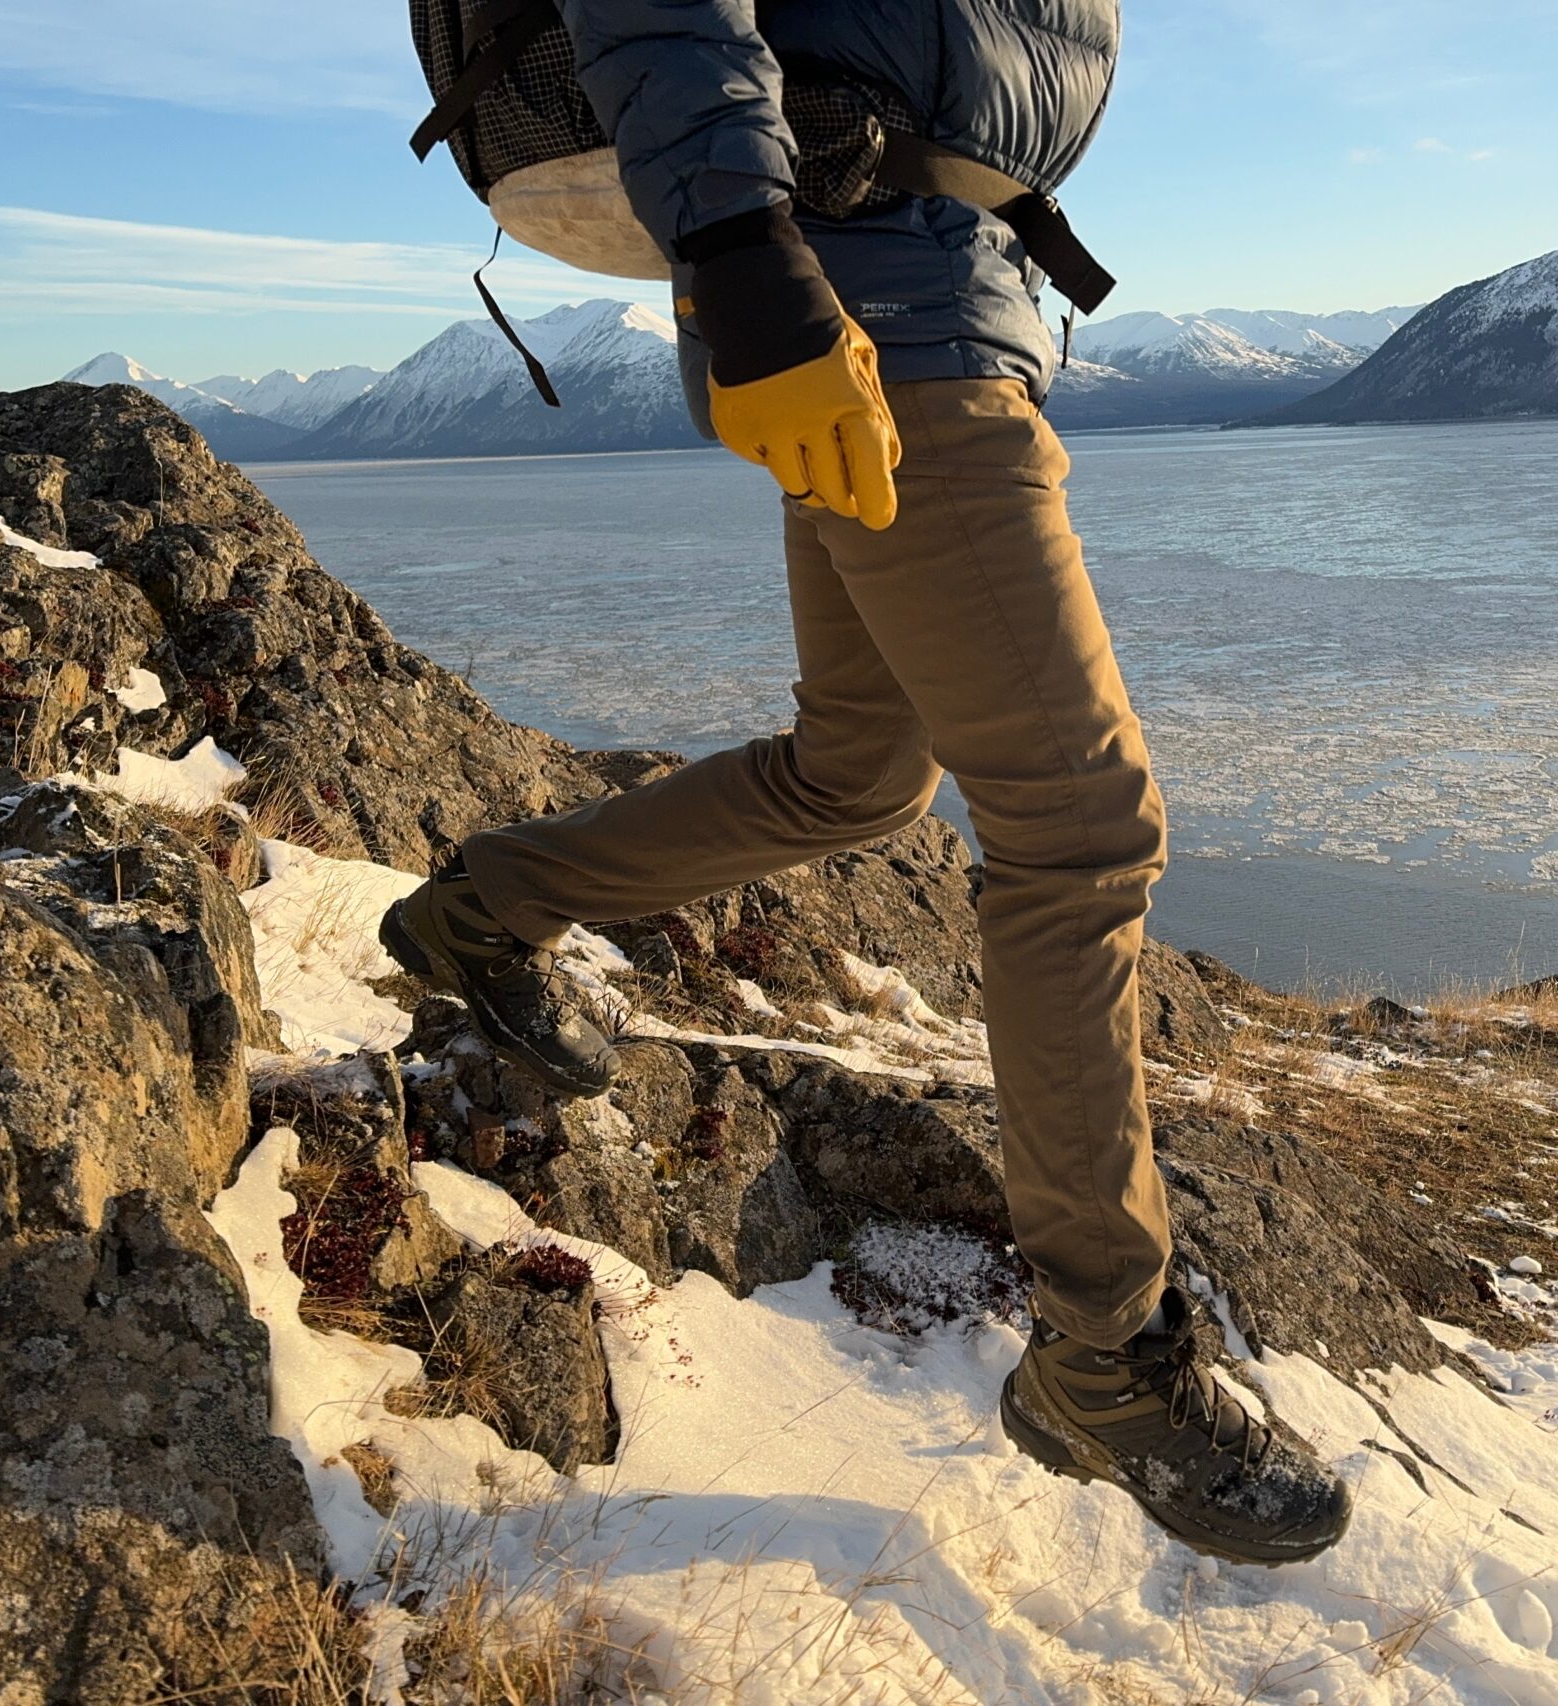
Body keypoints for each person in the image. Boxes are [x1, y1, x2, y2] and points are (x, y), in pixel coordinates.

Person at [383, 0, 1348, 1566]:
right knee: (1082, 828)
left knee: (860, 773)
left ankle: (488, 906)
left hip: (912, 300)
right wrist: (740, 246)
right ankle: (1106, 1352)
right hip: (864, 305)